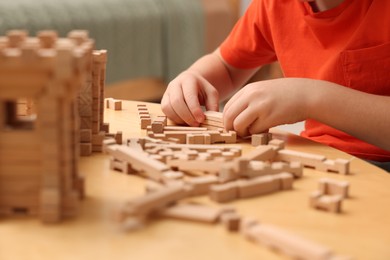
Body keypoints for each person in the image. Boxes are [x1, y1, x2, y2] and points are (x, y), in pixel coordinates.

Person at [160, 0, 390, 171]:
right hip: (319, 156)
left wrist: (308, 97)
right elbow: (226, 66)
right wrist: (193, 78)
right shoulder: (274, 5)